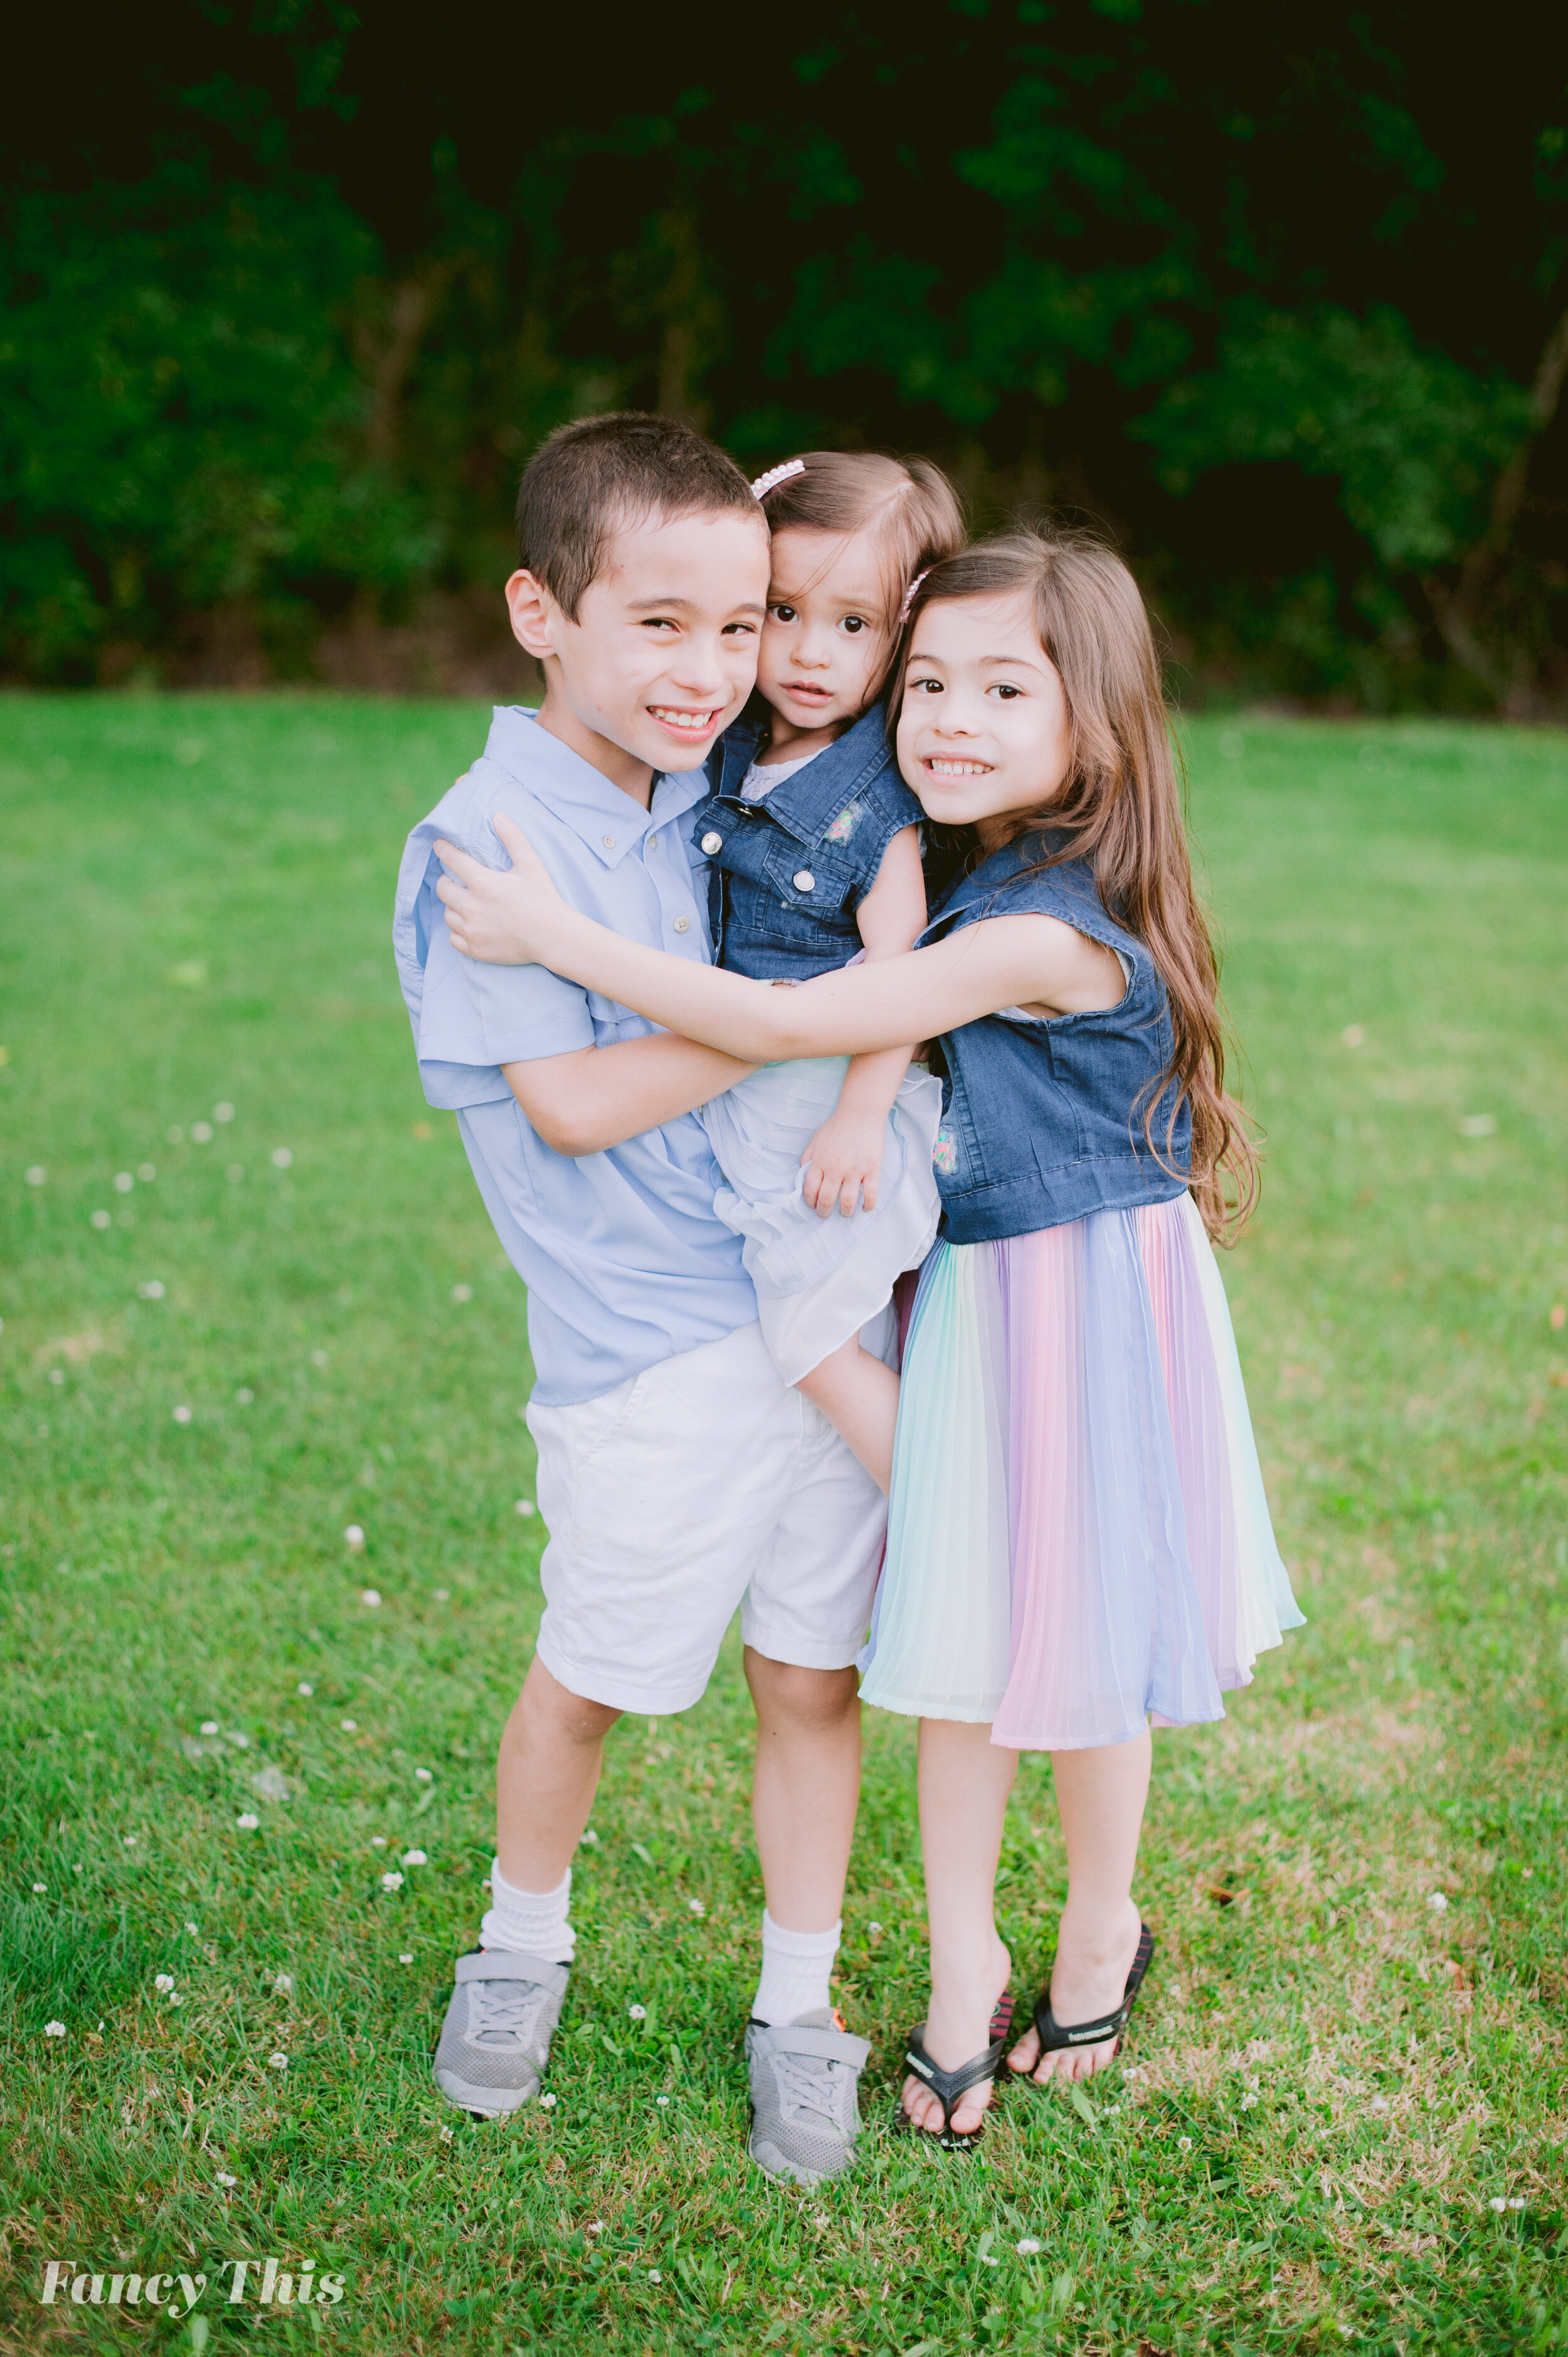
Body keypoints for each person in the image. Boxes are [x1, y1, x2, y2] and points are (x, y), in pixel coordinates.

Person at [432, 521, 1305, 2154]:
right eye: (927, 679)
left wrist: (551, 936)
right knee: (963, 1635)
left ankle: (1098, 1924)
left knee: (1078, 1625)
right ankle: (967, 1965)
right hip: (975, 1289)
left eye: (999, 684)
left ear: (1094, 722)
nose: (945, 716)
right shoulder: (969, 855)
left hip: (1083, 1303)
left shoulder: (1038, 927)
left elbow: (781, 1014)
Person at [394, 412, 898, 2185]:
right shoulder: (484, 847)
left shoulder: (706, 772)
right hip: (645, 1347)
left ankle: (795, 2003)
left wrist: (749, 545)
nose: (710, 671)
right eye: (657, 625)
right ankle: (518, 1944)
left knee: (808, 1675)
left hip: (817, 1304)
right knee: (595, 1670)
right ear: (540, 612)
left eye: (739, 626)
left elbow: (810, 599)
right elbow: (575, 1102)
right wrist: (808, 1009)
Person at [691, 450, 963, 1489]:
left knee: (810, 1342)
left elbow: (904, 966)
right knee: (779, 1335)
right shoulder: (728, 746)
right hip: (756, 1104)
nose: (809, 653)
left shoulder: (875, 802)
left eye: (855, 625)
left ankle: (962, 1515)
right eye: (782, 611)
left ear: (904, 635)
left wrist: (859, 1113)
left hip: (838, 1108)